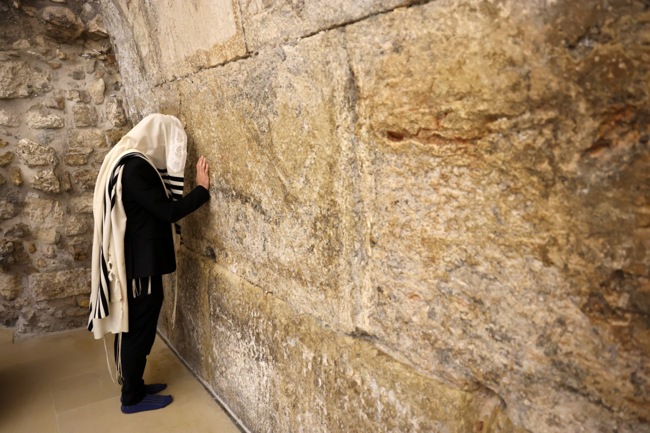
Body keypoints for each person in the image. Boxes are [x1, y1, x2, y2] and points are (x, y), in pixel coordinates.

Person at [87, 114, 210, 414]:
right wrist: (202, 190)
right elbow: (168, 212)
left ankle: (136, 385)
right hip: (140, 267)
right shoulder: (136, 168)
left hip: (138, 263)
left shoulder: (127, 161)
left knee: (137, 327)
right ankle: (131, 397)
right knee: (137, 330)